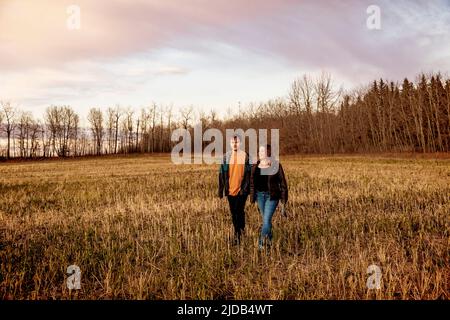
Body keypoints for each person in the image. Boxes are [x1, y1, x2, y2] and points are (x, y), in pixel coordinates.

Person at [250, 144, 288, 250]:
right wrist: (253, 197)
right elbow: (252, 184)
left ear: (269, 152)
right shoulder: (255, 167)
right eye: (261, 151)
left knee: (266, 220)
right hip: (260, 196)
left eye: (265, 151)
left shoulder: (276, 165)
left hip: (272, 197)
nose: (262, 153)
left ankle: (261, 244)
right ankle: (270, 242)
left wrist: (283, 201)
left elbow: (283, 183)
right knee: (266, 221)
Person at [218, 135, 251, 245]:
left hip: (242, 190)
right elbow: (221, 174)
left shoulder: (246, 156)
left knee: (239, 211)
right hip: (230, 190)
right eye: (233, 142)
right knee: (233, 213)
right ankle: (240, 232)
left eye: (237, 142)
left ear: (240, 143)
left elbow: (249, 174)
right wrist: (221, 190)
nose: (235, 144)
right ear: (230, 143)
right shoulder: (225, 157)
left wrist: (246, 189)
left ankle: (238, 235)